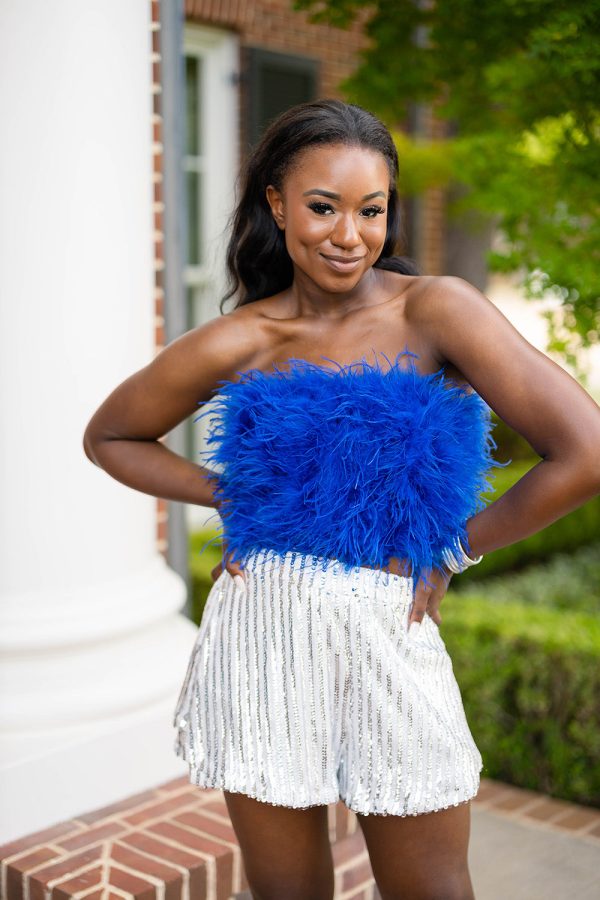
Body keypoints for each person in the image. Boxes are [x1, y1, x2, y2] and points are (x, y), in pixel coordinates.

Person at [83, 99, 600, 900]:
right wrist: (232, 495)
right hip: (261, 634)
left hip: (391, 631)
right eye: (323, 207)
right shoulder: (243, 338)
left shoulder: (436, 308)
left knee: (432, 887)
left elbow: (585, 453)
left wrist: (456, 547)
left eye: (371, 209)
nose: (349, 234)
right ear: (277, 203)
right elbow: (109, 436)